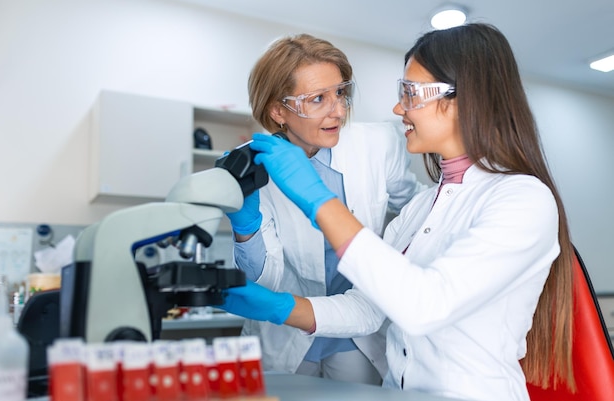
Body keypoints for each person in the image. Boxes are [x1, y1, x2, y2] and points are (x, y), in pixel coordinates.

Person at [219, 23, 575, 401]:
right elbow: (370, 308)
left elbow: (425, 305)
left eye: (411, 93)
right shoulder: (422, 206)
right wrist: (279, 307)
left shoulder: (523, 199)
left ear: (463, 100)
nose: (397, 108)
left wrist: (317, 199)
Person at [225, 33, 425, 384]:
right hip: (288, 333)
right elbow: (267, 279)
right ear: (277, 111)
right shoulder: (259, 169)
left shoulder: (380, 144)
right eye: (318, 98)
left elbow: (416, 210)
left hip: (359, 329)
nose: (338, 110)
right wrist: (245, 224)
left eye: (340, 93)